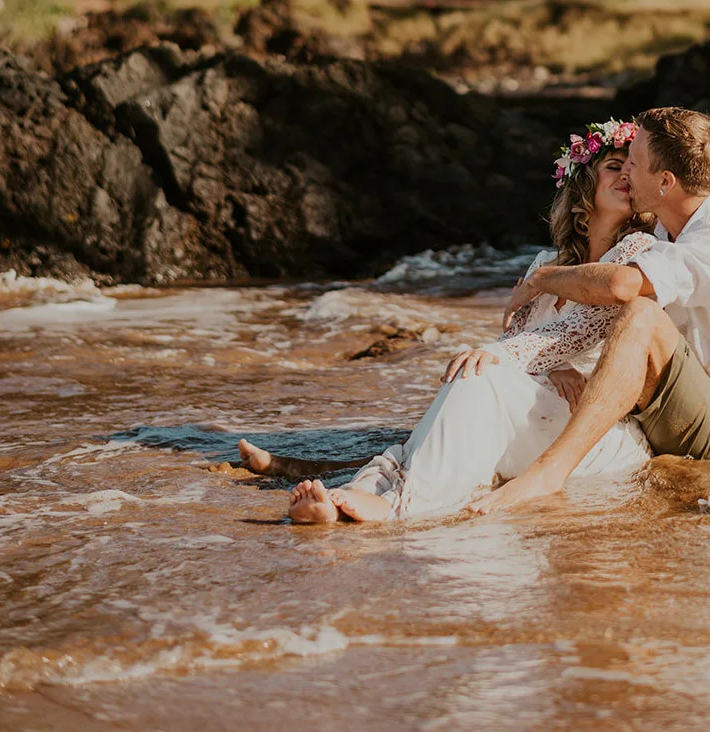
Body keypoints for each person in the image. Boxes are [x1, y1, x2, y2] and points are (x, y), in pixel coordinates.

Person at [241, 119, 658, 524]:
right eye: (612, 167)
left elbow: (577, 329)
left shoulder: (636, 252)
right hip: (539, 409)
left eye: (630, 169)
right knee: (472, 388)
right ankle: (354, 495)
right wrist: (551, 365)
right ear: (585, 182)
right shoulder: (544, 264)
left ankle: (400, 506)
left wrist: (503, 355)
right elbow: (521, 337)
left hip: (591, 433)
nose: (624, 176)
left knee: (478, 375)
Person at [467, 105, 710, 516]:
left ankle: (549, 473)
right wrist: (549, 361)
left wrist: (540, 279)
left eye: (634, 161)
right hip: (658, 410)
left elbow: (617, 285)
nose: (626, 169)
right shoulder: (662, 232)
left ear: (665, 181)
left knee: (641, 314)